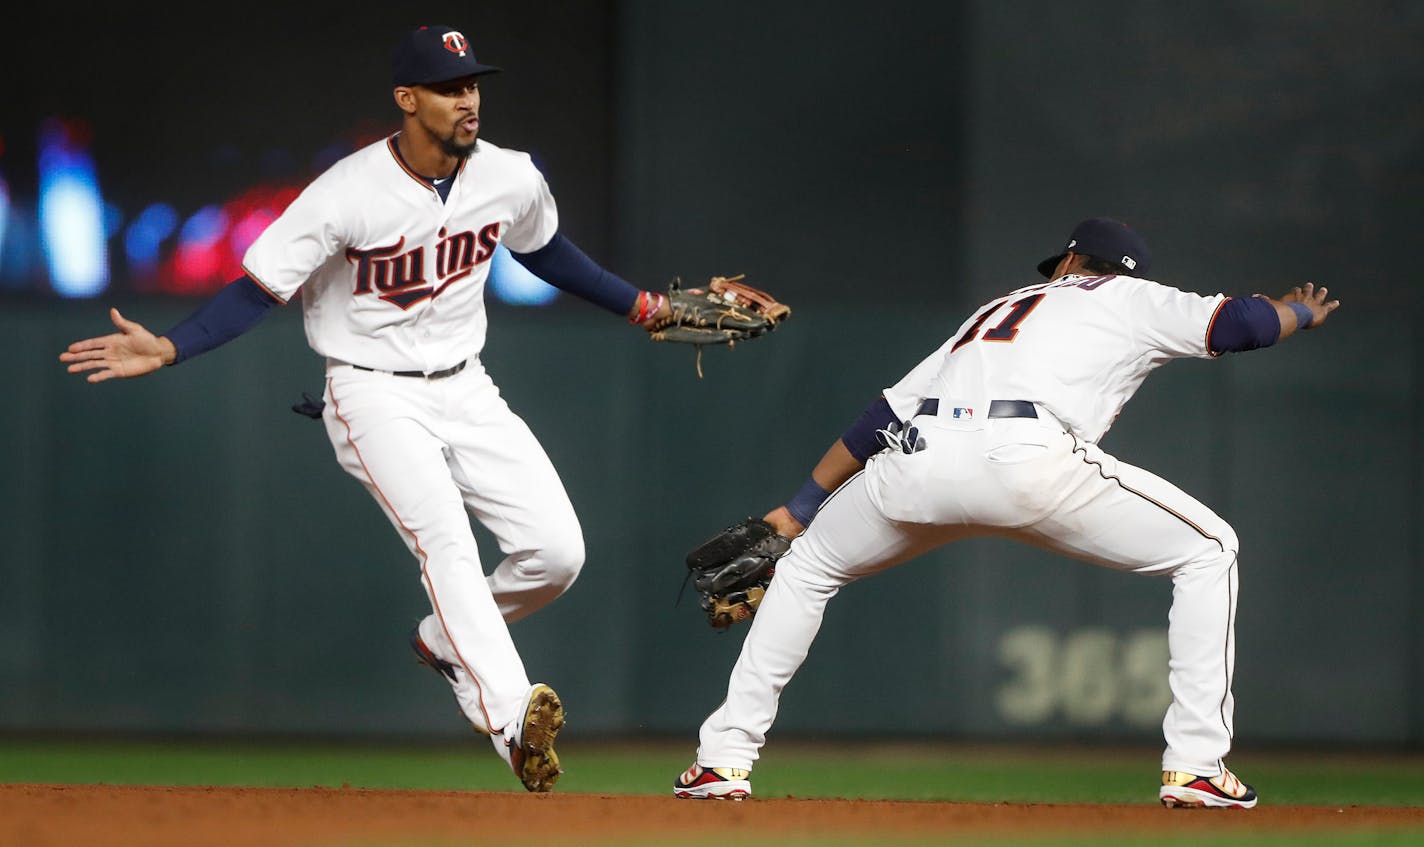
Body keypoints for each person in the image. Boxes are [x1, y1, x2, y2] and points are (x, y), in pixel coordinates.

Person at [60, 24, 678, 793]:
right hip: (369, 388)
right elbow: (259, 289)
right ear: (407, 98)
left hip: (466, 383)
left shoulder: (509, 175)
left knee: (557, 553)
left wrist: (644, 307)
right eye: (450, 88)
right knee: (445, 543)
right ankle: (513, 720)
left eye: (473, 84)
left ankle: (442, 639)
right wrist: (175, 346)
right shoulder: (346, 192)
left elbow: (547, 252)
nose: (468, 100)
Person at [673, 218, 1340, 807]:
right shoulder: (1136, 297)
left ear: (1074, 262)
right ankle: (1195, 765)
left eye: (1062, 264)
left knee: (808, 565)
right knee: (1210, 549)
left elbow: (884, 415)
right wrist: (1300, 312)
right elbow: (1246, 324)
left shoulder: (1000, 308)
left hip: (919, 461)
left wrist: (798, 511)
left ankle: (721, 758)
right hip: (1027, 459)